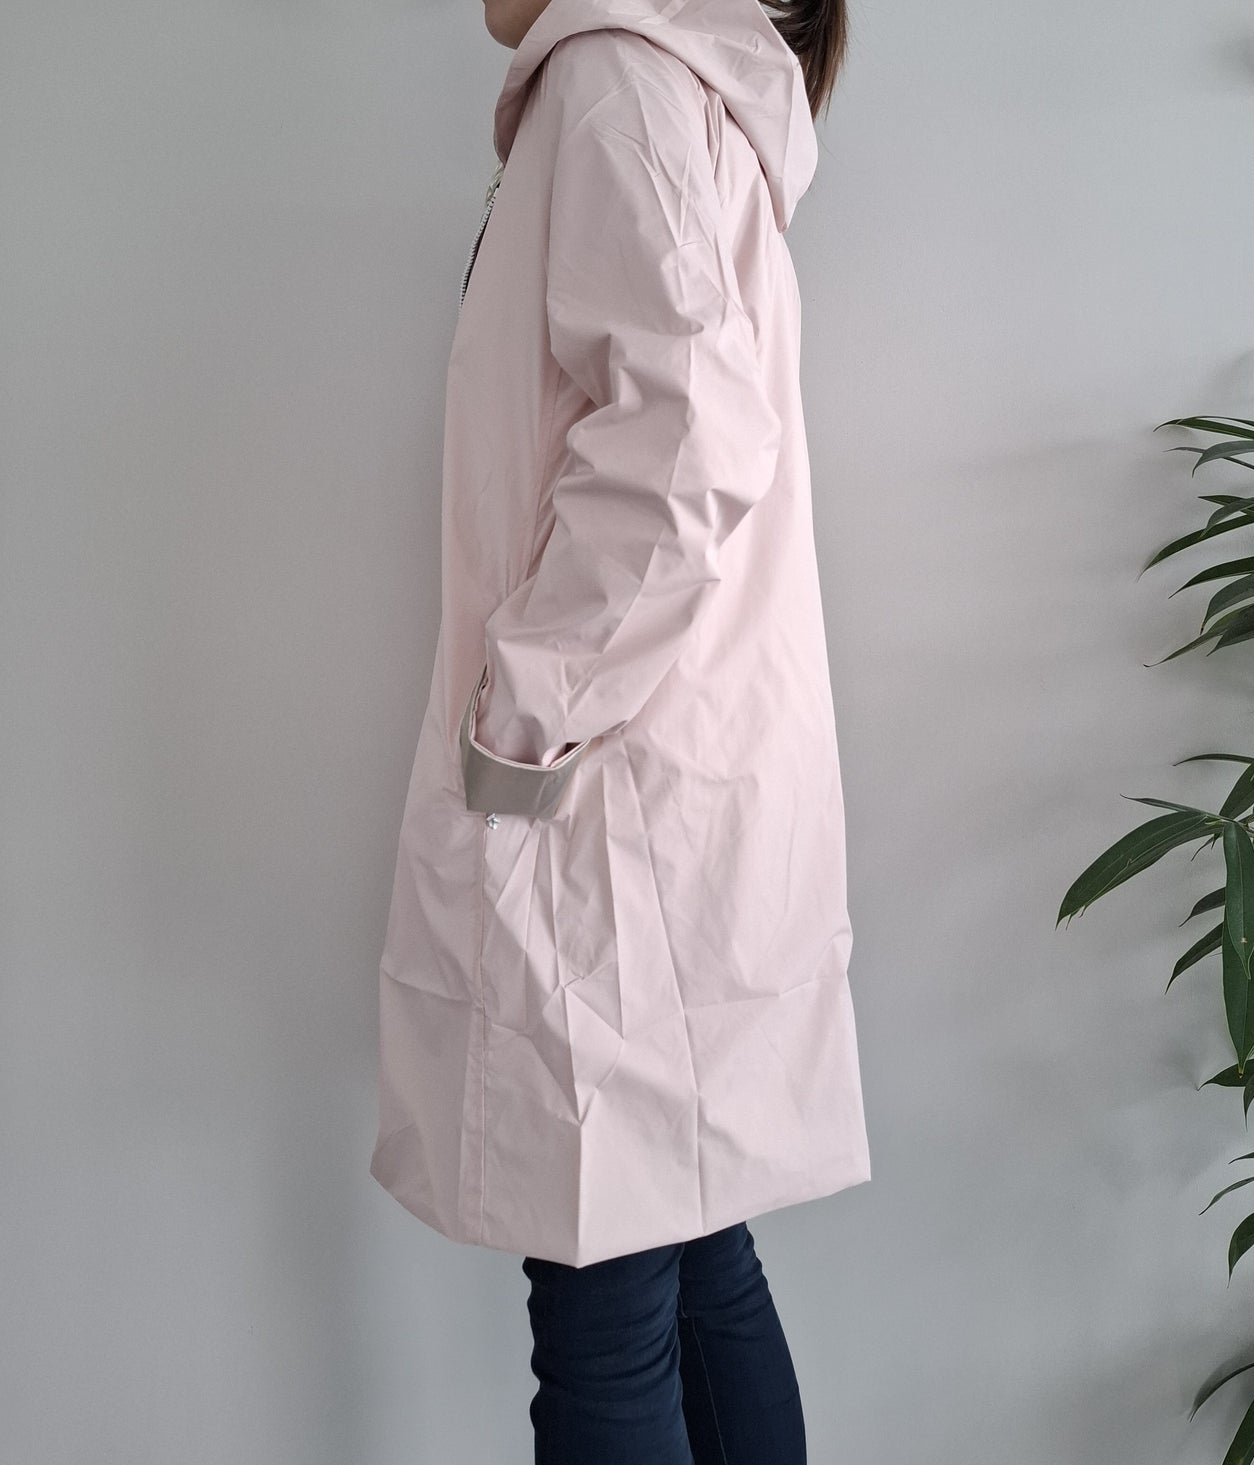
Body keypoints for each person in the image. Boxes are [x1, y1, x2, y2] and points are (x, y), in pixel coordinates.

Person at [368, 0, 869, 1458]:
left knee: (605, 1304)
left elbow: (687, 439)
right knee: (692, 1251)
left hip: (607, 787)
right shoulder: (671, 93)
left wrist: (526, 712)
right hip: (672, 778)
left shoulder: (615, 82)